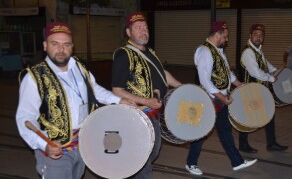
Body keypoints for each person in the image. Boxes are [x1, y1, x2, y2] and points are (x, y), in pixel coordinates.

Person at [15, 22, 134, 179]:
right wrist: (45, 145)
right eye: (55, 44)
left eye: (66, 44)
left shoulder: (79, 67)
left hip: (82, 143)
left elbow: (95, 90)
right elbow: (25, 118)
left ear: (72, 47)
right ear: (45, 46)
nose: (61, 49)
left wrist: (119, 100)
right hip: (55, 150)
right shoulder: (34, 77)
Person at [111, 12, 182, 179]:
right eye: (138, 28)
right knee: (143, 155)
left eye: (145, 28)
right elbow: (117, 90)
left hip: (153, 112)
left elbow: (162, 73)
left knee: (153, 150)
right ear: (128, 32)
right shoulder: (124, 55)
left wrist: (182, 87)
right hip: (137, 115)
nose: (144, 31)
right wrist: (145, 101)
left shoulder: (150, 52)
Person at [185, 21, 257, 176]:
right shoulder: (204, 51)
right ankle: (191, 163)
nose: (227, 39)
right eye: (225, 36)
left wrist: (239, 84)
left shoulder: (218, 51)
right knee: (202, 132)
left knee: (225, 131)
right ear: (217, 35)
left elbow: (227, 73)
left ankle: (237, 161)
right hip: (209, 99)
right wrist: (222, 98)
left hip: (220, 98)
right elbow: (205, 80)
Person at [239, 24, 288, 154]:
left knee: (269, 114)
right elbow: (255, 72)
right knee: (248, 117)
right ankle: (243, 144)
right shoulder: (248, 51)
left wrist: (276, 70)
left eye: (261, 35)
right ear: (250, 36)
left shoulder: (258, 50)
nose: (258, 37)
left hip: (259, 90)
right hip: (250, 90)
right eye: (255, 34)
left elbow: (265, 64)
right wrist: (271, 78)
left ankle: (271, 143)